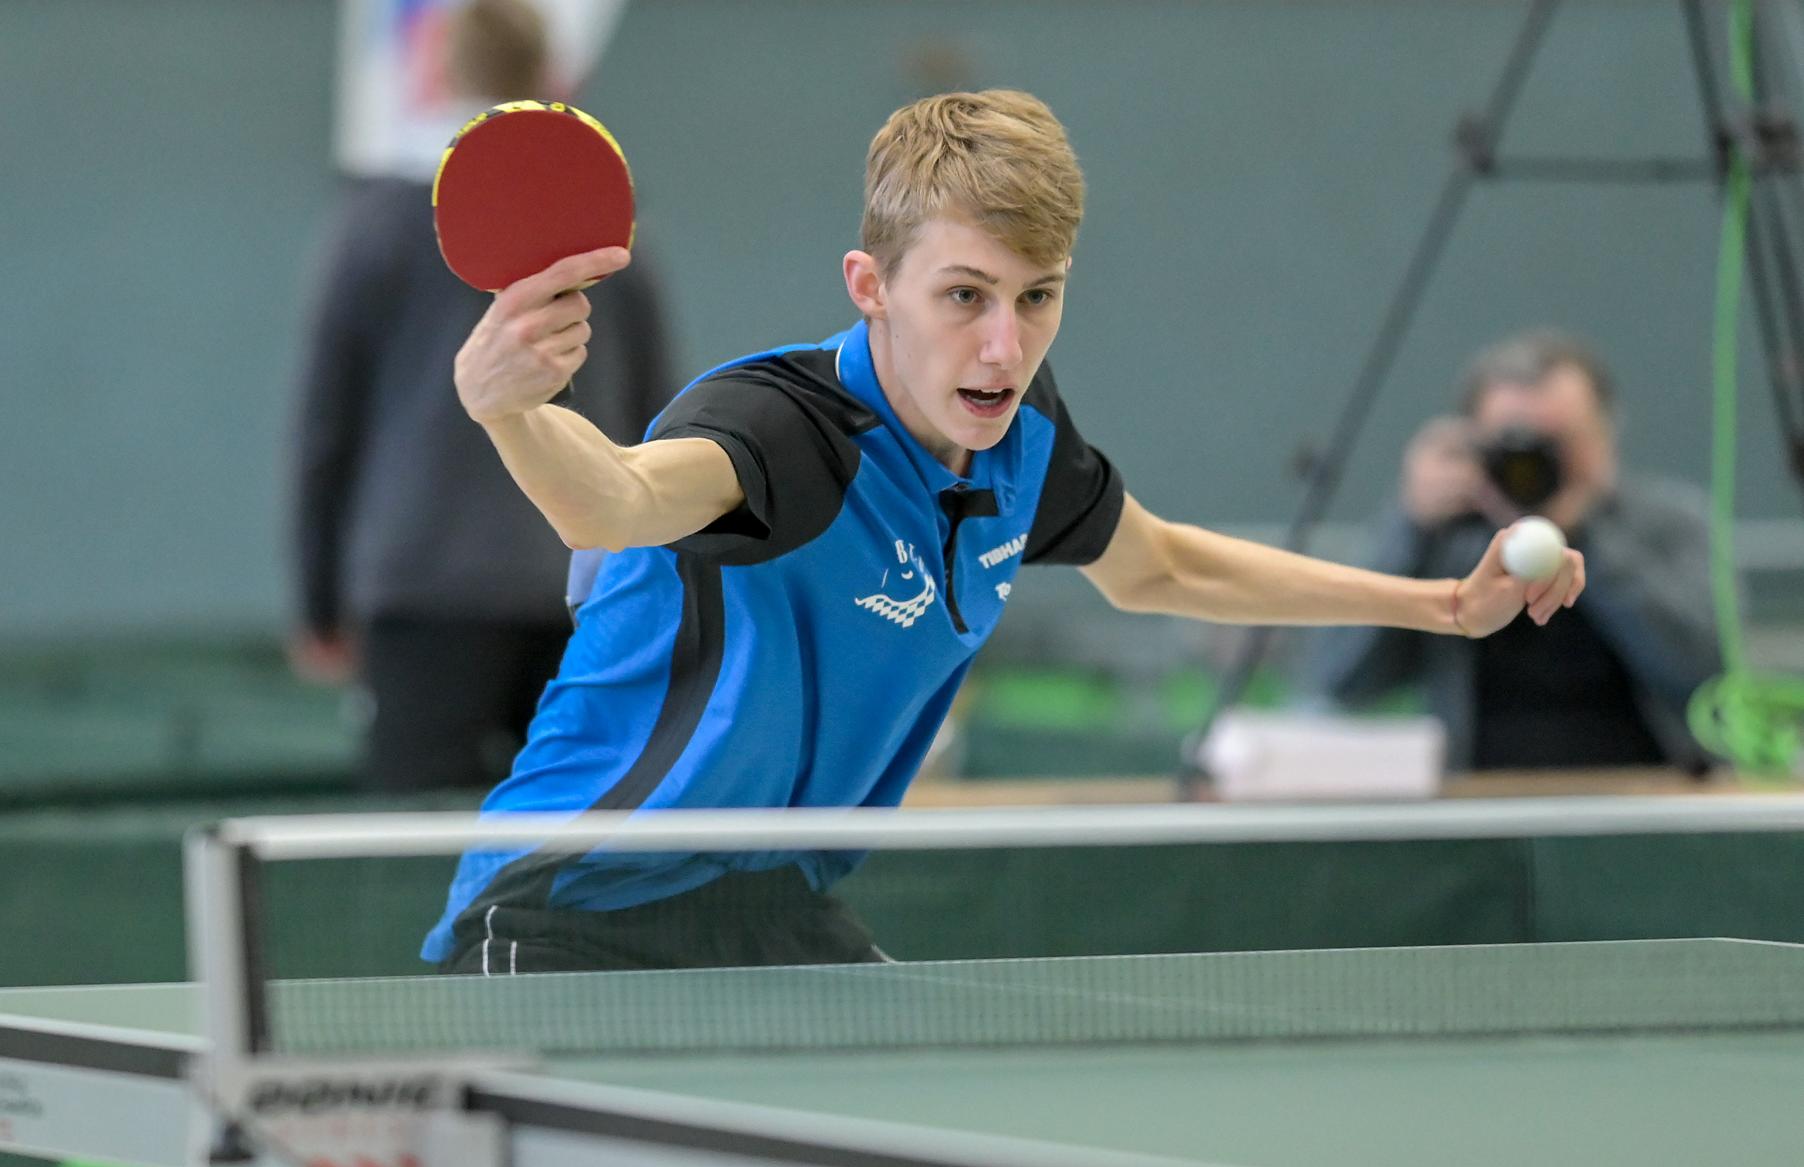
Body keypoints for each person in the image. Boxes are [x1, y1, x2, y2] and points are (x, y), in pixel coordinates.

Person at [422, 90, 1585, 974]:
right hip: (570, 907)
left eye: (1037, 297)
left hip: (767, 902)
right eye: (964, 295)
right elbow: (614, 500)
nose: (1003, 347)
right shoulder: (783, 429)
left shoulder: (1022, 444)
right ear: (870, 285)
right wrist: (511, 409)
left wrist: (1441, 607)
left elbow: (1159, 565)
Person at [288, 0, 676, 792]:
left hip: (423, 596)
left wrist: (319, 605)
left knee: (419, 848)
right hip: (588, 590)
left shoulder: (370, 228)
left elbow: (326, 431)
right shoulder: (618, 240)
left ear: (433, 67)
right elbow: (662, 428)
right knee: (582, 838)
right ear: (554, 75)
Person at [1303, 330, 1722, 771]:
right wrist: (1410, 528)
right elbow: (1340, 682)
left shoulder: (1668, 523)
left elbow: (1710, 676)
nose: (1535, 464)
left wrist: (1582, 536)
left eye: (1560, 443)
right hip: (1476, 794)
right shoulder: (1443, 535)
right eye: (1514, 444)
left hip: (1648, 787)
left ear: (1605, 436)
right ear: (1474, 446)